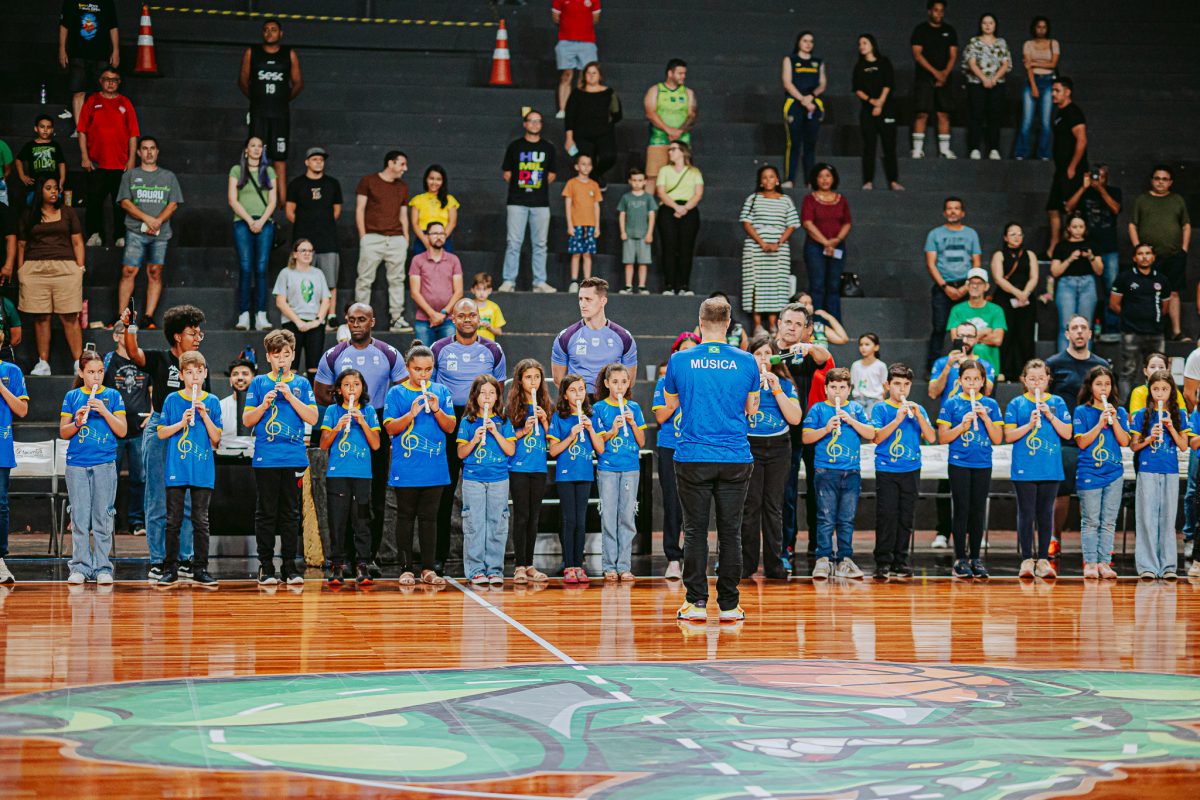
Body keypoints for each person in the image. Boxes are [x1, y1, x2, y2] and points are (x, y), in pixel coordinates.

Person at [663, 296, 760, 623]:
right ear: (729, 324)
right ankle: (730, 606)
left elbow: (671, 403)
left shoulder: (679, 360)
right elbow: (752, 408)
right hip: (735, 456)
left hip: (693, 456)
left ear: (700, 322)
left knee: (694, 531)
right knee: (731, 532)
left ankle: (696, 603)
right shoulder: (747, 361)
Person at [120, 304, 209, 582]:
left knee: (186, 498)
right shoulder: (160, 359)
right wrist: (129, 326)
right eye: (192, 333)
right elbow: (133, 352)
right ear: (177, 336)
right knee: (158, 497)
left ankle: (185, 558)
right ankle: (158, 560)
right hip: (161, 425)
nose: (197, 338)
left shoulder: (198, 366)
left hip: (190, 429)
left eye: (199, 333)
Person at [314, 303, 407, 568]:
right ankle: (343, 557)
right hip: (343, 424)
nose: (356, 324)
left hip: (374, 421)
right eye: (352, 319)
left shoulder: (388, 353)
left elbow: (402, 391)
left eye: (362, 319)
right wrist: (343, 403)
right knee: (342, 498)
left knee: (374, 496)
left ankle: (368, 557)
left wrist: (372, 410)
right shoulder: (334, 354)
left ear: (372, 321)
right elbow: (320, 392)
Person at [432, 299, 507, 569]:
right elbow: (432, 390)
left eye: (472, 315)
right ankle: (438, 557)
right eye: (461, 315)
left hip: (482, 421)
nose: (467, 319)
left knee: (487, 494)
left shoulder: (493, 349)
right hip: (449, 423)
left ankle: (489, 560)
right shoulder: (438, 348)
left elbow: (498, 391)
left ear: (479, 318)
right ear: (453, 318)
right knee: (444, 492)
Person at [242, 328, 319, 586]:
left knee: (291, 513)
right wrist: (264, 404)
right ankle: (266, 565)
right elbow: (247, 420)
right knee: (266, 513)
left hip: (294, 457)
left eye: (286, 355)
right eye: (276, 355)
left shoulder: (302, 384)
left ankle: (289, 566)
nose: (281, 360)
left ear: (293, 355)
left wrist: (290, 397)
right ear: (268, 357)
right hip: (267, 457)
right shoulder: (258, 383)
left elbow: (312, 418)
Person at [383, 345, 456, 585]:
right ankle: (406, 568)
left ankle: (428, 568)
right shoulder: (396, 393)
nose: (423, 375)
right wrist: (411, 414)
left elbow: (450, 428)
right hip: (406, 468)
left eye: (427, 369)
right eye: (417, 369)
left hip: (435, 468)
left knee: (429, 519)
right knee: (405, 517)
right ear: (407, 368)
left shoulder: (441, 391)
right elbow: (390, 428)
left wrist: (436, 409)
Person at [154, 351, 222, 588]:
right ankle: (170, 569)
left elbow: (216, 439)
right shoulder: (172, 400)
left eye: (198, 372)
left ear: (205, 374)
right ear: (181, 375)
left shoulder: (212, 401)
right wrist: (181, 422)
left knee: (200, 521)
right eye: (189, 373)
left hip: (202, 469)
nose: (194, 377)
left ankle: (200, 568)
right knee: (173, 520)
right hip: (177, 468)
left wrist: (204, 415)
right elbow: (161, 433)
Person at [1044, 315, 1110, 557]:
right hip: (1064, 442)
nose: (1080, 332)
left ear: (1090, 334)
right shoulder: (1054, 363)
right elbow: (1045, 400)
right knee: (1060, 493)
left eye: (1084, 328)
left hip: (1094, 440)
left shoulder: (1100, 365)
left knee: (1090, 495)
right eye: (1075, 328)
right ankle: (1055, 539)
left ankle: (1090, 544)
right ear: (1067, 334)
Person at [59, 351, 126, 585]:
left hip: (104, 463)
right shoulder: (72, 396)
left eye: (100, 372)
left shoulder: (113, 396)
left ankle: (102, 567)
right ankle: (79, 567)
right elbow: (64, 432)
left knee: (103, 517)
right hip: (77, 463)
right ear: (81, 372)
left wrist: (104, 411)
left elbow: (122, 430)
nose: (96, 377)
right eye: (90, 372)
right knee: (79, 517)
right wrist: (78, 422)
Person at [775, 303, 833, 572]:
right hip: (778, 432)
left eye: (798, 324)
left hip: (809, 430)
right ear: (779, 323)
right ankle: (786, 545)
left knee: (815, 488)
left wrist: (808, 347)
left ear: (806, 329)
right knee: (785, 492)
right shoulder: (769, 351)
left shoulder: (806, 352)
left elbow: (825, 356)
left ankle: (817, 546)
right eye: (788, 322)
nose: (792, 328)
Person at [802, 367, 874, 579]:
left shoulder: (856, 409)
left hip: (851, 471)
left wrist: (850, 420)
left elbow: (871, 433)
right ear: (826, 389)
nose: (837, 392)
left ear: (849, 389)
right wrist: (826, 429)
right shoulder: (818, 409)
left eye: (842, 388)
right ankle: (823, 559)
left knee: (846, 519)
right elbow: (806, 438)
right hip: (826, 471)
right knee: (825, 518)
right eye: (833, 387)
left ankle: (845, 559)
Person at [1005, 358, 1071, 578]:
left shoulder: (1057, 402)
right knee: (1026, 513)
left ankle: (1043, 560)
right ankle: (1026, 560)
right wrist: (1030, 424)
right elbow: (1009, 436)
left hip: (1050, 467)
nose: (1036, 383)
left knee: (1045, 513)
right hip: (1025, 466)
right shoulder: (1016, 403)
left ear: (1048, 379)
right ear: (1024, 380)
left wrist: (1049, 415)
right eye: (1032, 379)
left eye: (1041, 379)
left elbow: (1067, 433)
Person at [741, 336, 801, 580]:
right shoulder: (743, 382)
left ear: (775, 358)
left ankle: (775, 564)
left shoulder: (785, 384)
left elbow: (795, 418)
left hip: (779, 447)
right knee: (750, 506)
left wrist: (776, 389)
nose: (763, 358)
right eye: (758, 354)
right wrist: (754, 389)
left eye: (767, 353)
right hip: (750, 446)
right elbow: (745, 412)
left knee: (773, 507)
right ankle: (747, 564)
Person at [937, 359, 1002, 578]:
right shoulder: (951, 404)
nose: (972, 383)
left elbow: (997, 438)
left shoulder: (990, 405)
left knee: (977, 510)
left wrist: (985, 418)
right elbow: (943, 437)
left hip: (983, 463)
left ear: (983, 381)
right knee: (961, 509)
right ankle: (960, 559)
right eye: (967, 379)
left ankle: (975, 557)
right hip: (959, 463)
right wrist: (962, 426)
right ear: (960, 381)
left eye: (976, 379)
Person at [870, 363, 936, 579]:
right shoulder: (880, 408)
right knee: (887, 515)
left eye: (906, 384)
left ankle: (901, 560)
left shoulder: (918, 409)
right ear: (887, 385)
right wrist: (897, 419)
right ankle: (883, 561)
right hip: (887, 469)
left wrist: (919, 417)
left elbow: (931, 437)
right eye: (897, 384)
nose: (902, 389)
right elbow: (876, 438)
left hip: (911, 469)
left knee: (906, 517)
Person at [319, 368, 381, 586]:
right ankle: (337, 564)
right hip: (338, 474)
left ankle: (362, 563)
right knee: (337, 521)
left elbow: (376, 444)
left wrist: (362, 422)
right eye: (346, 385)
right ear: (339, 389)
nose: (351, 389)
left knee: (362, 520)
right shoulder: (333, 410)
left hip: (362, 475)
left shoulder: (369, 411)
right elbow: (323, 444)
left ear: (362, 387)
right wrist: (338, 426)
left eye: (356, 384)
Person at [17, 177, 84, 377]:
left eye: (56, 188)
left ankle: (79, 363)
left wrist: (80, 268)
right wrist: (21, 270)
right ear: (40, 191)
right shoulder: (29, 214)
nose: (54, 191)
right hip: (35, 268)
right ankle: (43, 363)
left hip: (65, 267)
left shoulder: (68, 212)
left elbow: (78, 242)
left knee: (69, 316)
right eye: (48, 188)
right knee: (41, 316)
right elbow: (21, 244)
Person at [116, 136, 182, 329]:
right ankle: (122, 316)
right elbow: (125, 202)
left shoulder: (168, 176)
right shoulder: (130, 175)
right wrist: (147, 219)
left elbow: (173, 203)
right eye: (145, 148)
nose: (149, 152)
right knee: (129, 271)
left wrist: (158, 221)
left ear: (157, 151)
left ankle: (148, 317)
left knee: (155, 271)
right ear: (139, 152)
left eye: (152, 148)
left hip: (160, 233)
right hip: (135, 231)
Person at [456, 375, 516, 585]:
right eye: (483, 393)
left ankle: (495, 570)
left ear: (498, 396)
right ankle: (475, 570)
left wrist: (495, 433)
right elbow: (461, 453)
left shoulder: (504, 421)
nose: (488, 397)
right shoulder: (468, 421)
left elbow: (510, 450)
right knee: (474, 524)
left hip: (499, 479)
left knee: (497, 523)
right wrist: (474, 439)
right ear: (475, 396)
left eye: (492, 393)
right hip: (473, 479)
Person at [1130, 370, 1189, 580]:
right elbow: (1134, 446)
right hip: (1147, 469)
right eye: (1156, 389)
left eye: (1164, 389)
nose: (1160, 393)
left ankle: (1168, 566)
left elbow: (1184, 446)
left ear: (1172, 390)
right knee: (1147, 518)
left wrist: (1171, 428)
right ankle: (1147, 566)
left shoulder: (1179, 415)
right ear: (1150, 390)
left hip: (1170, 470)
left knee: (1168, 518)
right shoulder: (1141, 415)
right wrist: (1150, 437)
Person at [237, 18, 302, 204]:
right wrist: (257, 99)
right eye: (266, 29)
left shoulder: (289, 54)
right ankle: (256, 199)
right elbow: (242, 81)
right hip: (259, 113)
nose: (269, 32)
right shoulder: (252, 52)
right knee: (256, 155)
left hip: (280, 114)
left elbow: (298, 83)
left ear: (281, 33)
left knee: (280, 158)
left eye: (273, 29)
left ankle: (281, 202)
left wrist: (283, 99)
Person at [1073, 365, 1129, 579]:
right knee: (1091, 521)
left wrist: (1114, 422)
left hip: (1114, 473)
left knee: (1108, 521)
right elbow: (1082, 443)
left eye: (1107, 384)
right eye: (1099, 384)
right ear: (1090, 387)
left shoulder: (1119, 412)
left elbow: (1124, 441)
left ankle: (1104, 563)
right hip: (1089, 472)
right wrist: (1099, 423)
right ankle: (1090, 563)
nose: (1103, 388)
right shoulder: (1082, 411)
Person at [591, 363, 645, 582]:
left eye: (623, 382)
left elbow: (641, 441)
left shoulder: (634, 408)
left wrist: (632, 424)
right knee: (609, 517)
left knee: (627, 517)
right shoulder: (599, 408)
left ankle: (624, 565)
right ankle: (609, 566)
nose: (619, 386)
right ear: (606, 384)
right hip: (608, 468)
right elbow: (598, 444)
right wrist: (612, 430)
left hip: (630, 468)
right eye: (615, 382)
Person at [547, 373, 604, 583]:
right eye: (573, 390)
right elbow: (553, 451)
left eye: (581, 389)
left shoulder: (591, 417)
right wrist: (571, 436)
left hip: (585, 474)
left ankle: (579, 565)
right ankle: (568, 565)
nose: (578, 394)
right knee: (569, 520)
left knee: (581, 521)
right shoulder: (559, 418)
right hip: (565, 475)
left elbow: (600, 449)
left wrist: (590, 429)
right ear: (564, 394)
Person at [653, 335, 699, 580]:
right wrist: (678, 394)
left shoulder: (705, 380)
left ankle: (693, 557)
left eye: (693, 350)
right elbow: (661, 417)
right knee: (672, 503)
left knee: (695, 504)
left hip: (697, 446)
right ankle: (673, 558)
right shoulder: (664, 382)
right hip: (671, 447)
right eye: (684, 350)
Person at [77, 66, 138, 248]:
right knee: (94, 202)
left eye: (114, 80)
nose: (110, 83)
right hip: (97, 163)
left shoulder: (125, 102)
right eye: (107, 79)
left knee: (121, 203)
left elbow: (133, 134)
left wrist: (131, 160)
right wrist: (84, 156)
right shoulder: (92, 101)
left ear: (119, 82)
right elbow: (82, 131)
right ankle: (95, 234)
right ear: (100, 81)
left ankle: (120, 236)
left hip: (120, 164)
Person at [1129, 165, 1191, 343]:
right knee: (1149, 292)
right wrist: (1139, 249)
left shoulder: (1177, 200)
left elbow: (1186, 225)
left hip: (1174, 255)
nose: (1160, 182)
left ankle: (1176, 332)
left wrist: (1184, 249)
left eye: (1164, 179)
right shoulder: (1142, 200)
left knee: (1173, 293)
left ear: (1170, 182)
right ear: (1152, 180)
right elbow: (1132, 225)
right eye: (1157, 178)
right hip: (1149, 258)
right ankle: (1152, 331)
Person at [500, 110, 559, 294]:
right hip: (517, 201)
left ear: (541, 125)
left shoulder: (548, 148)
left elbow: (551, 175)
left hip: (540, 203)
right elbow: (507, 173)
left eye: (538, 121)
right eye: (531, 121)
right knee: (513, 243)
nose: (534, 124)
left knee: (540, 244)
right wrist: (522, 186)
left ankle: (539, 281)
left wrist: (535, 187)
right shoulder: (515, 146)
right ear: (525, 124)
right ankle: (509, 280)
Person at [354, 151, 412, 333]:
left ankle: (396, 318)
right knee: (365, 279)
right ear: (390, 163)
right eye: (402, 164)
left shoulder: (402, 186)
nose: (405, 168)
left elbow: (403, 214)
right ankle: (360, 319)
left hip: (396, 239)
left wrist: (405, 238)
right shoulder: (368, 181)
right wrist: (363, 236)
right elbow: (360, 209)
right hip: (372, 237)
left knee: (397, 280)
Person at [506, 360, 552, 584]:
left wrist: (544, 421)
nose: (533, 382)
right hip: (519, 468)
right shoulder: (512, 407)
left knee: (534, 517)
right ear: (520, 380)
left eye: (537, 377)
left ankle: (530, 564)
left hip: (539, 468)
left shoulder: (546, 405)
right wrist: (524, 430)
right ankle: (519, 565)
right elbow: (506, 438)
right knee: (522, 516)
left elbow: (552, 440)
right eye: (528, 377)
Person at [286, 147, 342, 328]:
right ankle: (307, 315)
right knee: (303, 278)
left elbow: (336, 211)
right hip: (303, 240)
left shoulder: (332, 184)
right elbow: (289, 211)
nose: (318, 162)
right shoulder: (297, 184)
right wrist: (305, 225)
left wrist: (322, 224)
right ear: (307, 162)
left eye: (321, 160)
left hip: (327, 239)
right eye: (315, 159)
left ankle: (331, 316)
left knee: (330, 279)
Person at [924, 197, 982, 371]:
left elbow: (976, 262)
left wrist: (967, 286)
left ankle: (967, 367)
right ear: (944, 212)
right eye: (949, 208)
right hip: (943, 286)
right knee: (940, 327)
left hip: (966, 285)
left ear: (962, 213)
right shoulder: (935, 234)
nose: (953, 211)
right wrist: (944, 286)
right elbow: (931, 264)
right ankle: (933, 368)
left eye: (956, 208)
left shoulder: (971, 234)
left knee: (966, 329)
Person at [740, 165, 799, 336]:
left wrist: (778, 243)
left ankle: (774, 324)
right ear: (760, 181)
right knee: (755, 284)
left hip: (779, 250)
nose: (768, 180)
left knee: (776, 285)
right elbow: (746, 222)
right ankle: (758, 325)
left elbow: (792, 224)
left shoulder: (786, 200)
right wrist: (762, 242)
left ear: (777, 180)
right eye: (764, 177)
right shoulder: (753, 198)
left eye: (771, 176)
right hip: (755, 248)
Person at [1065, 166, 1122, 341]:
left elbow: (1116, 209)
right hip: (1087, 247)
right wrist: (1083, 187)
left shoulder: (1113, 191)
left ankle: (1110, 328)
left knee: (1111, 288)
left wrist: (1101, 190)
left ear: (1107, 177)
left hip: (1108, 248)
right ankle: (1087, 329)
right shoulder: (1084, 192)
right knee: (1088, 289)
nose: (1098, 179)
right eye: (1095, 176)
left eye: (1101, 176)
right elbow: (1068, 208)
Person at [551, 278, 638, 390]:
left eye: (588, 299)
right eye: (580, 299)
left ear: (603, 301)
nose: (582, 304)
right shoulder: (565, 337)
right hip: (579, 400)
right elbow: (559, 382)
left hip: (610, 399)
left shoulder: (624, 338)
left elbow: (629, 382)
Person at [104, 321, 149, 536]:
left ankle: (137, 521)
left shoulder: (141, 359)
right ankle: (106, 520)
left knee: (139, 478)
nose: (129, 336)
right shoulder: (108, 360)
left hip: (139, 429)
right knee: (108, 477)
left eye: (133, 333)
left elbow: (152, 389)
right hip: (114, 429)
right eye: (124, 333)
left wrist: (153, 414)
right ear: (115, 336)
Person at [228, 136, 276, 332]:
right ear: (246, 150)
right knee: (246, 267)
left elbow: (273, 201)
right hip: (242, 222)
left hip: (265, 223)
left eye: (259, 146)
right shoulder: (237, 170)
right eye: (253, 146)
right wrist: (249, 221)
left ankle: (261, 314)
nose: (256, 149)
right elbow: (232, 199)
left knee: (262, 268)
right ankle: (244, 314)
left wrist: (261, 221)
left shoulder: (269, 171)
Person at [1110, 244, 1169, 391]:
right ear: (1134, 258)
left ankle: (1155, 402)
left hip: (1156, 333)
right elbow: (1114, 304)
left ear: (1153, 257)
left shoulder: (1161, 279)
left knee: (1158, 373)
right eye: (1140, 253)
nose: (1144, 256)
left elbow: (1165, 307)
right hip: (1131, 332)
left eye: (1148, 253)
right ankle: (1126, 404)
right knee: (1128, 371)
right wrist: (1130, 317)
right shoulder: (1126, 278)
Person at [273, 238, 332, 378]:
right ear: (295, 254)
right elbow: (280, 302)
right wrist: (298, 321)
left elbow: (326, 300)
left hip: (315, 324)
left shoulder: (318, 273)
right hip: (292, 323)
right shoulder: (286, 273)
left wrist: (317, 321)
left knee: (314, 368)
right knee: (290, 367)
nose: (307, 253)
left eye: (310, 251)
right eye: (303, 250)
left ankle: (311, 393)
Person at [801, 163, 851, 322]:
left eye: (828, 176)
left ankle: (834, 323)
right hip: (815, 247)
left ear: (833, 178)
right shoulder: (810, 199)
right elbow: (807, 223)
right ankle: (816, 324)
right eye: (821, 176)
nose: (825, 179)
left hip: (837, 246)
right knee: (817, 285)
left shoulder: (841, 200)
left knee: (834, 286)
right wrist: (826, 243)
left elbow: (847, 223)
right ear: (815, 179)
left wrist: (836, 240)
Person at [852, 34, 902, 191]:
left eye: (865, 43)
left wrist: (880, 102)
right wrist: (871, 101)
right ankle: (868, 181)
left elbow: (888, 84)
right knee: (869, 146)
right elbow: (857, 89)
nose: (861, 46)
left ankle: (893, 181)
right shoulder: (859, 66)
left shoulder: (884, 62)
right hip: (868, 110)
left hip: (886, 109)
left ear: (872, 45)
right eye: (860, 44)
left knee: (889, 146)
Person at [910, 0, 959, 159]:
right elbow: (917, 55)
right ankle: (917, 150)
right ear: (929, 11)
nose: (939, 14)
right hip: (925, 78)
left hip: (944, 79)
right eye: (936, 10)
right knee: (922, 113)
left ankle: (944, 150)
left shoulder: (949, 31)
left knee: (943, 114)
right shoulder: (920, 30)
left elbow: (953, 55)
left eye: (942, 11)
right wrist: (935, 73)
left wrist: (944, 74)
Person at [1046, 77, 1088, 257]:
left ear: (1067, 92)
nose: (1053, 94)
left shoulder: (1073, 112)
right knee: (1053, 207)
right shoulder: (1060, 113)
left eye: (1057, 91)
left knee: (1072, 209)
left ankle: (1075, 246)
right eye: (1052, 91)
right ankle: (1054, 244)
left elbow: (1082, 140)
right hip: (1061, 168)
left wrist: (1073, 166)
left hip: (1073, 170)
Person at [58, 0, 119, 125]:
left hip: (101, 54)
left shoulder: (106, 2)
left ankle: (99, 127)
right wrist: (62, 49)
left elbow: (113, 27)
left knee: (103, 92)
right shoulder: (71, 2)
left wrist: (116, 50)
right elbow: (64, 26)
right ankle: (79, 129)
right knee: (78, 91)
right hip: (77, 54)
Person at [990, 222, 1039, 378]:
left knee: (1025, 336)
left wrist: (1025, 293)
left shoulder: (1030, 254)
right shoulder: (999, 255)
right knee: (1006, 335)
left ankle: (1026, 372)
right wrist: (1017, 292)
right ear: (1005, 237)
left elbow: (1034, 277)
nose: (1017, 237)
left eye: (1019, 234)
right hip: (1005, 298)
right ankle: (1004, 371)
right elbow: (998, 278)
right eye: (1012, 234)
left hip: (1026, 299)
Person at [655, 140, 704, 296]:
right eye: (669, 149)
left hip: (688, 209)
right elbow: (661, 192)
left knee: (686, 248)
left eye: (674, 149)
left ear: (683, 151)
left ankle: (684, 285)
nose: (670, 152)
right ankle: (669, 285)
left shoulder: (694, 172)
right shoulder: (664, 170)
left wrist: (685, 208)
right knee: (668, 247)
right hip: (668, 208)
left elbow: (698, 193)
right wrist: (676, 207)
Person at [564, 62, 622, 188]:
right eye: (588, 73)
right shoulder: (577, 93)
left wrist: (608, 121)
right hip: (582, 135)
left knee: (609, 157)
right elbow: (569, 117)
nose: (591, 75)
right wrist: (569, 138)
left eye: (594, 73)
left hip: (604, 134)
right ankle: (593, 184)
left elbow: (617, 114)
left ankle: (596, 175)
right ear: (584, 75)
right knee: (586, 161)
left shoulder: (609, 92)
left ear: (600, 75)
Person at [1050, 214, 1103, 352]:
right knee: (1066, 325)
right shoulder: (1061, 246)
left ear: (1085, 228)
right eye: (1074, 227)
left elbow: (1099, 270)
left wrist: (1090, 256)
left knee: (1085, 326)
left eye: (1081, 227)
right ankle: (1064, 360)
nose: (1078, 230)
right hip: (1066, 284)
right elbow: (1055, 271)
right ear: (1068, 228)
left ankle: (1084, 359)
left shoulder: (1092, 245)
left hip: (1088, 283)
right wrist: (1070, 259)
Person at [781, 31, 827, 187]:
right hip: (794, 103)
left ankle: (810, 181)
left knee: (810, 144)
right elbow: (787, 83)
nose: (808, 44)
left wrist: (811, 97)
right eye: (805, 40)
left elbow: (822, 84)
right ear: (799, 42)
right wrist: (803, 99)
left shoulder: (817, 62)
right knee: (793, 143)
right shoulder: (790, 60)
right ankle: (789, 179)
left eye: (811, 41)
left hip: (813, 104)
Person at [962, 13, 1010, 160]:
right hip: (977, 83)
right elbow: (971, 63)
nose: (988, 26)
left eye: (991, 23)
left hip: (996, 83)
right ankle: (974, 148)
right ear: (980, 25)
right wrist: (983, 78)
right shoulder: (974, 42)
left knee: (994, 116)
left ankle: (994, 148)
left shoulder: (1001, 42)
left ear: (995, 25)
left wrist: (994, 78)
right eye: (985, 23)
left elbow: (1006, 64)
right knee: (976, 115)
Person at [643, 59, 697, 194]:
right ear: (670, 73)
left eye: (684, 73)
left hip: (682, 141)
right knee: (653, 177)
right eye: (680, 73)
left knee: (681, 176)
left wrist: (679, 131)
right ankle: (648, 206)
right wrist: (668, 130)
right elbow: (650, 113)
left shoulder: (688, 93)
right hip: (658, 140)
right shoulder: (655, 90)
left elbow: (692, 115)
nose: (683, 76)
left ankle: (677, 205)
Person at [0, 333, 27, 585]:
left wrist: (1, 387)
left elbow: (21, 410)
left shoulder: (12, 371)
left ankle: (0, 559)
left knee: (0, 504)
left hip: (2, 447)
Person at [408, 222, 463, 345]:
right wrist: (432, 314)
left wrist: (443, 314)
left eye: (442, 233)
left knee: (449, 355)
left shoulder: (453, 260)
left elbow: (459, 292)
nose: (439, 236)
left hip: (448, 319)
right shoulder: (417, 260)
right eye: (435, 233)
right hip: (423, 320)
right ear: (427, 236)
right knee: (423, 356)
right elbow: (414, 293)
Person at [946, 267, 1007, 376]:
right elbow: (956, 340)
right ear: (967, 285)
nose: (975, 286)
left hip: (989, 370)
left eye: (979, 283)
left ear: (986, 286)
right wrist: (984, 332)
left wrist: (968, 339)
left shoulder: (996, 310)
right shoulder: (957, 310)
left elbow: (997, 340)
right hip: (963, 370)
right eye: (972, 283)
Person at [1014, 16, 1059, 160]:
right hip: (1032, 80)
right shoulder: (1028, 44)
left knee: (1045, 121)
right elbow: (1028, 67)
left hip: (1048, 81)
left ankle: (1043, 153)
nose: (1041, 30)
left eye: (1044, 27)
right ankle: (1021, 153)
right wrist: (1033, 86)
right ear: (1034, 28)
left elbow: (1053, 64)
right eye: (1039, 27)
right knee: (1027, 120)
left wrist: (1033, 62)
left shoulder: (1053, 43)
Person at [552, 0, 601, 118]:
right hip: (566, 41)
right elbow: (556, 18)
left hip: (587, 42)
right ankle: (563, 109)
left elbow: (595, 19)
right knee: (566, 75)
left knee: (585, 76)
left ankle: (581, 109)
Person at [563, 153, 602, 292]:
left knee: (587, 254)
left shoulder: (594, 185)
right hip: (576, 225)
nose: (586, 167)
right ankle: (574, 281)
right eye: (583, 164)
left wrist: (597, 226)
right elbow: (568, 205)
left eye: (589, 164)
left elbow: (596, 206)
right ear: (577, 166)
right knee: (576, 253)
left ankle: (587, 282)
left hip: (590, 225)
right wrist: (570, 225)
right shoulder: (571, 183)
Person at [617, 167, 657, 294]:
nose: (637, 183)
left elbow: (651, 216)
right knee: (628, 262)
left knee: (643, 262)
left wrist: (649, 233)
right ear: (630, 181)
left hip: (644, 235)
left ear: (645, 181)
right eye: (634, 180)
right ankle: (628, 285)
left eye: (640, 180)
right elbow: (622, 215)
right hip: (629, 234)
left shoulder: (648, 198)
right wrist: (623, 231)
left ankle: (642, 286)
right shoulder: (626, 197)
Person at [16, 115, 68, 205]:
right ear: (36, 129)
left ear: (52, 130)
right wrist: (22, 176)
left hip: (53, 186)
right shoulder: (30, 145)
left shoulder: (55, 145)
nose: (45, 130)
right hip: (34, 187)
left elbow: (61, 163)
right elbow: (18, 159)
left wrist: (62, 180)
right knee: (32, 208)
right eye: (42, 127)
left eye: (48, 127)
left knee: (55, 207)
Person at [409, 164, 458, 254]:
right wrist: (425, 240)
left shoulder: (450, 200)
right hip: (423, 238)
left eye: (438, 179)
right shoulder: (417, 199)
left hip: (443, 237)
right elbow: (415, 223)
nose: (434, 182)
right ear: (426, 179)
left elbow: (452, 223)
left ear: (443, 182)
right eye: (431, 178)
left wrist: (440, 238)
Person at [219, 356, 256, 442]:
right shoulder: (220, 406)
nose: (240, 378)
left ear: (253, 379)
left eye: (245, 374)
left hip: (254, 450)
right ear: (230, 380)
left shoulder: (262, 406)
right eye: (235, 374)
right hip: (224, 450)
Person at [851, 332, 886, 414]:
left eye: (867, 344)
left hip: (875, 400)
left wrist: (881, 400)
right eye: (861, 344)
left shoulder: (881, 366)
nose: (863, 347)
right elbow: (852, 383)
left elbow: (884, 386)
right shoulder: (855, 365)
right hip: (858, 400)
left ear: (876, 347)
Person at [471, 273, 505, 341]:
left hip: (488, 345)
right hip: (471, 344)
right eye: (478, 289)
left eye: (485, 289)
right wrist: (475, 326)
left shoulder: (494, 307)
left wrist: (490, 327)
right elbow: (461, 329)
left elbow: (499, 332)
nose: (481, 293)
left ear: (490, 290)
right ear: (473, 290)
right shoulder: (468, 306)